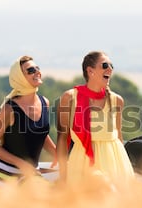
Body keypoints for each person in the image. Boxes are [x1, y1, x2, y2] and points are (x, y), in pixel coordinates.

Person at [56, 51, 135, 189]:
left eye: (111, 65)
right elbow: (62, 138)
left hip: (114, 163)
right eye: (105, 65)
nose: (110, 69)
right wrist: (63, 176)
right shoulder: (69, 98)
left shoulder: (117, 100)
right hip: (81, 164)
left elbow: (119, 137)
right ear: (90, 71)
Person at [0, 55, 57, 182]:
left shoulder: (44, 102)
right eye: (30, 70)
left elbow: (39, 133)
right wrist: (22, 164)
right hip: (2, 175)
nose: (37, 72)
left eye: (37, 68)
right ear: (20, 78)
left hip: (29, 175)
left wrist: (58, 154)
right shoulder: (9, 109)